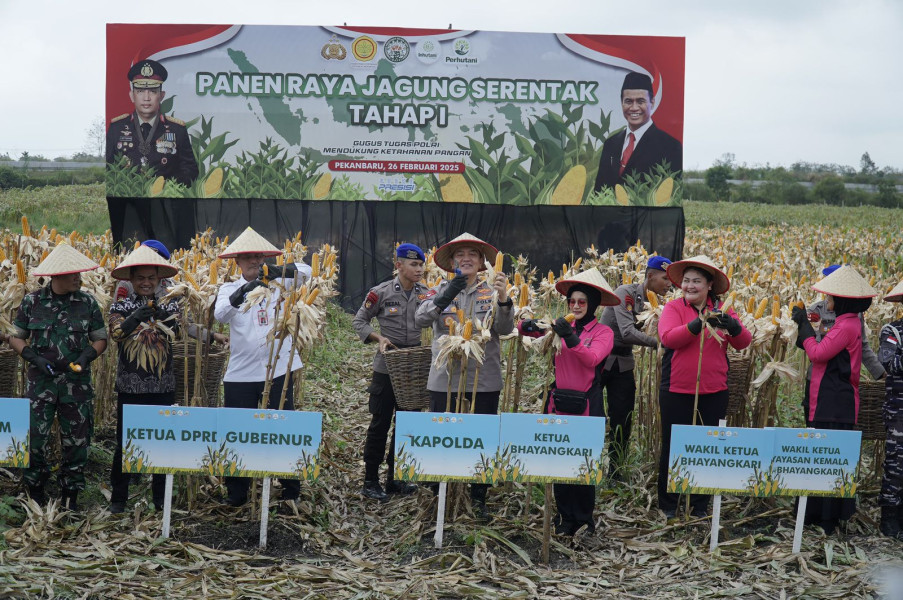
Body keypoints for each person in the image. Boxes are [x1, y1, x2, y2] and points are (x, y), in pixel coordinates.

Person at [107, 245, 226, 514]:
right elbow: (115, 333)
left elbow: (184, 328)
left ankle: (161, 499)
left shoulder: (170, 303)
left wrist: (208, 334)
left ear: (159, 279)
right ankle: (118, 498)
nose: (146, 283)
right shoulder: (122, 305)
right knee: (126, 441)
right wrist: (135, 317)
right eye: (141, 278)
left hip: (162, 384)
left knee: (160, 441)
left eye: (151, 278)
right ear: (132, 280)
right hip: (130, 385)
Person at [414, 233, 513, 519]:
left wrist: (504, 298)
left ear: (483, 262)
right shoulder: (438, 290)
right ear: (452, 262)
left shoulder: (491, 291)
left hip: (483, 378)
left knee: (481, 438)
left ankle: (478, 495)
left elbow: (505, 330)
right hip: (445, 378)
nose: (466, 258)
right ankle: (439, 494)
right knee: (442, 435)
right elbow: (420, 319)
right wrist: (448, 292)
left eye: (473, 253)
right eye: (460, 254)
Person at [214, 227, 312, 507]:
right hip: (241, 372)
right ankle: (237, 491)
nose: (254, 261)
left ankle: (290, 487)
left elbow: (307, 273)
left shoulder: (281, 282)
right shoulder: (228, 288)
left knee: (283, 426)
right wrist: (247, 288)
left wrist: (276, 270)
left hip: (278, 367)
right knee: (237, 430)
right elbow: (221, 315)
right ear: (238, 262)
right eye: (248, 258)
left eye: (259, 257)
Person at [9, 243, 108, 510]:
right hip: (40, 386)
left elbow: (100, 339)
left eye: (79, 273)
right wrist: (34, 358)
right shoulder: (32, 302)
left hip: (76, 386)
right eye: (73, 273)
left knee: (77, 441)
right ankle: (36, 493)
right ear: (56, 276)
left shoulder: (87, 303)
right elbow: (16, 338)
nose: (79, 278)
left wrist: (87, 356)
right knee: (35, 439)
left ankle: (70, 497)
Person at [518, 268, 617, 535]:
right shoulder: (560, 327)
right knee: (560, 462)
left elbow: (592, 359)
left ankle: (584, 521)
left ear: (593, 305)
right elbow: (524, 330)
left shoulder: (603, 332)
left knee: (583, 465)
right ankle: (564, 520)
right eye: (572, 301)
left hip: (587, 404)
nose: (576, 306)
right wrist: (528, 324)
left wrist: (570, 337)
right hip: (559, 402)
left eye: (582, 302)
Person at [656, 255, 751, 519]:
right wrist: (697, 324)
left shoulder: (724, 309)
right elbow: (668, 338)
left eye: (697, 281)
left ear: (710, 285)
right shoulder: (674, 308)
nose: (690, 286)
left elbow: (743, 342)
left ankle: (699, 504)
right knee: (673, 446)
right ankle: (669, 504)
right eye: (686, 281)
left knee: (706, 450)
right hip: (676, 390)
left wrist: (732, 325)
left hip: (713, 391)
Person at [792, 265, 877, 534]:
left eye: (830, 298)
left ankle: (827, 518)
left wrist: (805, 328)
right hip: (828, 397)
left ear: (841, 300)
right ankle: (818, 515)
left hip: (835, 401)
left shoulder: (847, 325)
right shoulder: (844, 322)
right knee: (820, 456)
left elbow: (818, 354)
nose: (826, 302)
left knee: (828, 458)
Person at [352, 243, 428, 501]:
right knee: (380, 424)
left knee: (406, 425)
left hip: (414, 367)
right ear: (399, 266)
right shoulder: (380, 293)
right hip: (386, 368)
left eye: (421, 265)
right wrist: (378, 338)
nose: (419, 269)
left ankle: (396, 478)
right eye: (414, 265)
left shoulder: (426, 294)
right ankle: (371, 480)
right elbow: (359, 321)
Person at [598, 255, 672, 478]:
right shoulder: (626, 293)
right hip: (601, 360)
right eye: (665, 278)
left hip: (623, 363)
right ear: (650, 276)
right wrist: (661, 344)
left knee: (623, 417)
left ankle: (616, 471)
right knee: (591, 414)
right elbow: (627, 332)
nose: (670, 284)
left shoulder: (658, 304)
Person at [106, 59, 199, 187]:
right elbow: (107, 168)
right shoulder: (117, 128)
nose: (146, 98)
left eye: (153, 91)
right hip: (128, 201)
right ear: (132, 95)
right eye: (140, 91)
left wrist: (167, 187)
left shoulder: (177, 129)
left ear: (161, 95)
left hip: (165, 202)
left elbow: (190, 170)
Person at [805, 265, 885, 407]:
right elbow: (811, 345)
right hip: (818, 379)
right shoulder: (815, 311)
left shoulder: (856, 314)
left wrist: (881, 373)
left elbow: (863, 347)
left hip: (843, 381)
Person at [593, 72, 683, 192]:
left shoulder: (670, 146)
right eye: (628, 101)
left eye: (640, 101)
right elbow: (599, 191)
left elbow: (672, 194)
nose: (634, 108)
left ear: (652, 102)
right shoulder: (611, 143)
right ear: (621, 103)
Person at [878, 279, 903, 539]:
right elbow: (888, 362)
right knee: (897, 466)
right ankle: (889, 518)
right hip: (899, 412)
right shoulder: (892, 331)